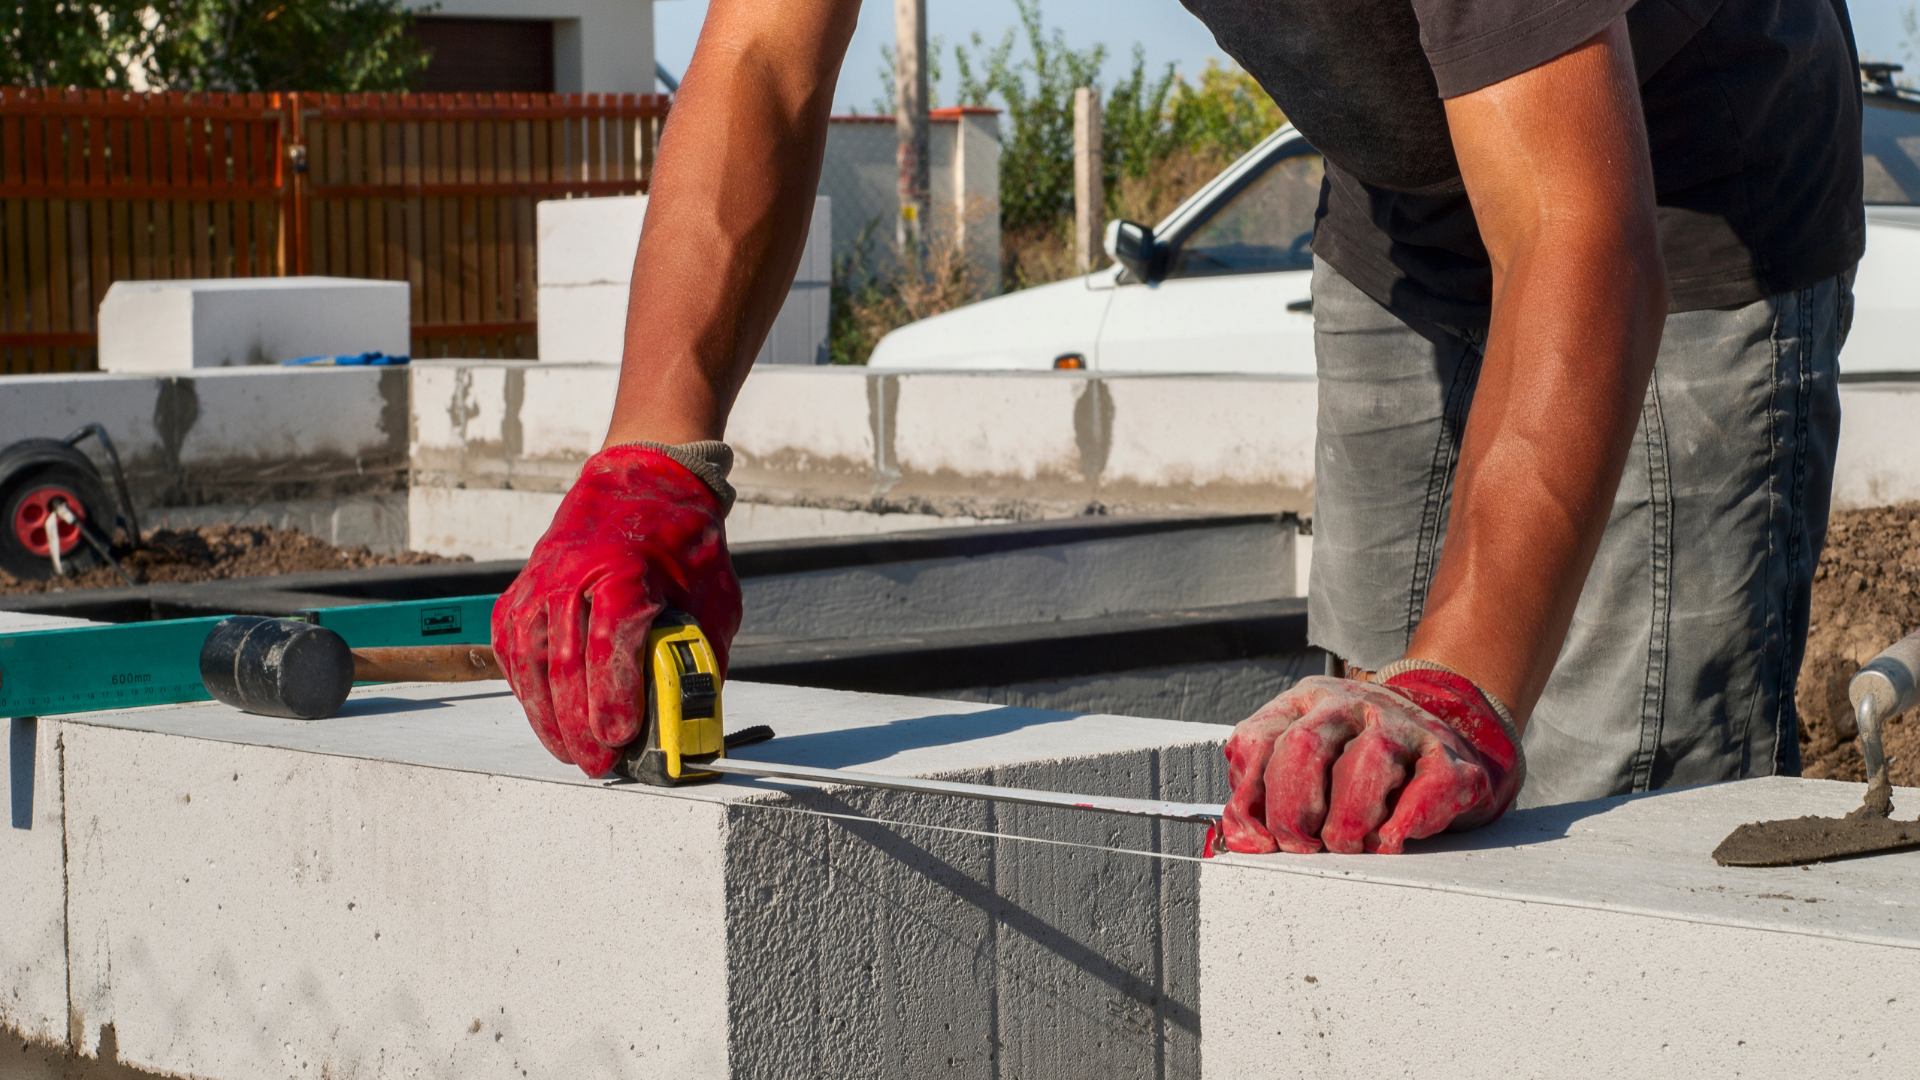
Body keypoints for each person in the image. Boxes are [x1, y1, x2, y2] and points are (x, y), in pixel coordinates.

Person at [491, 0, 1863, 855]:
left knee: (1583, 797)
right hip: (1405, 211)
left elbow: (1579, 232)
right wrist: (648, 463)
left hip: (1683, 195)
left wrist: (1462, 676)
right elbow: (764, 59)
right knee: (1349, 797)